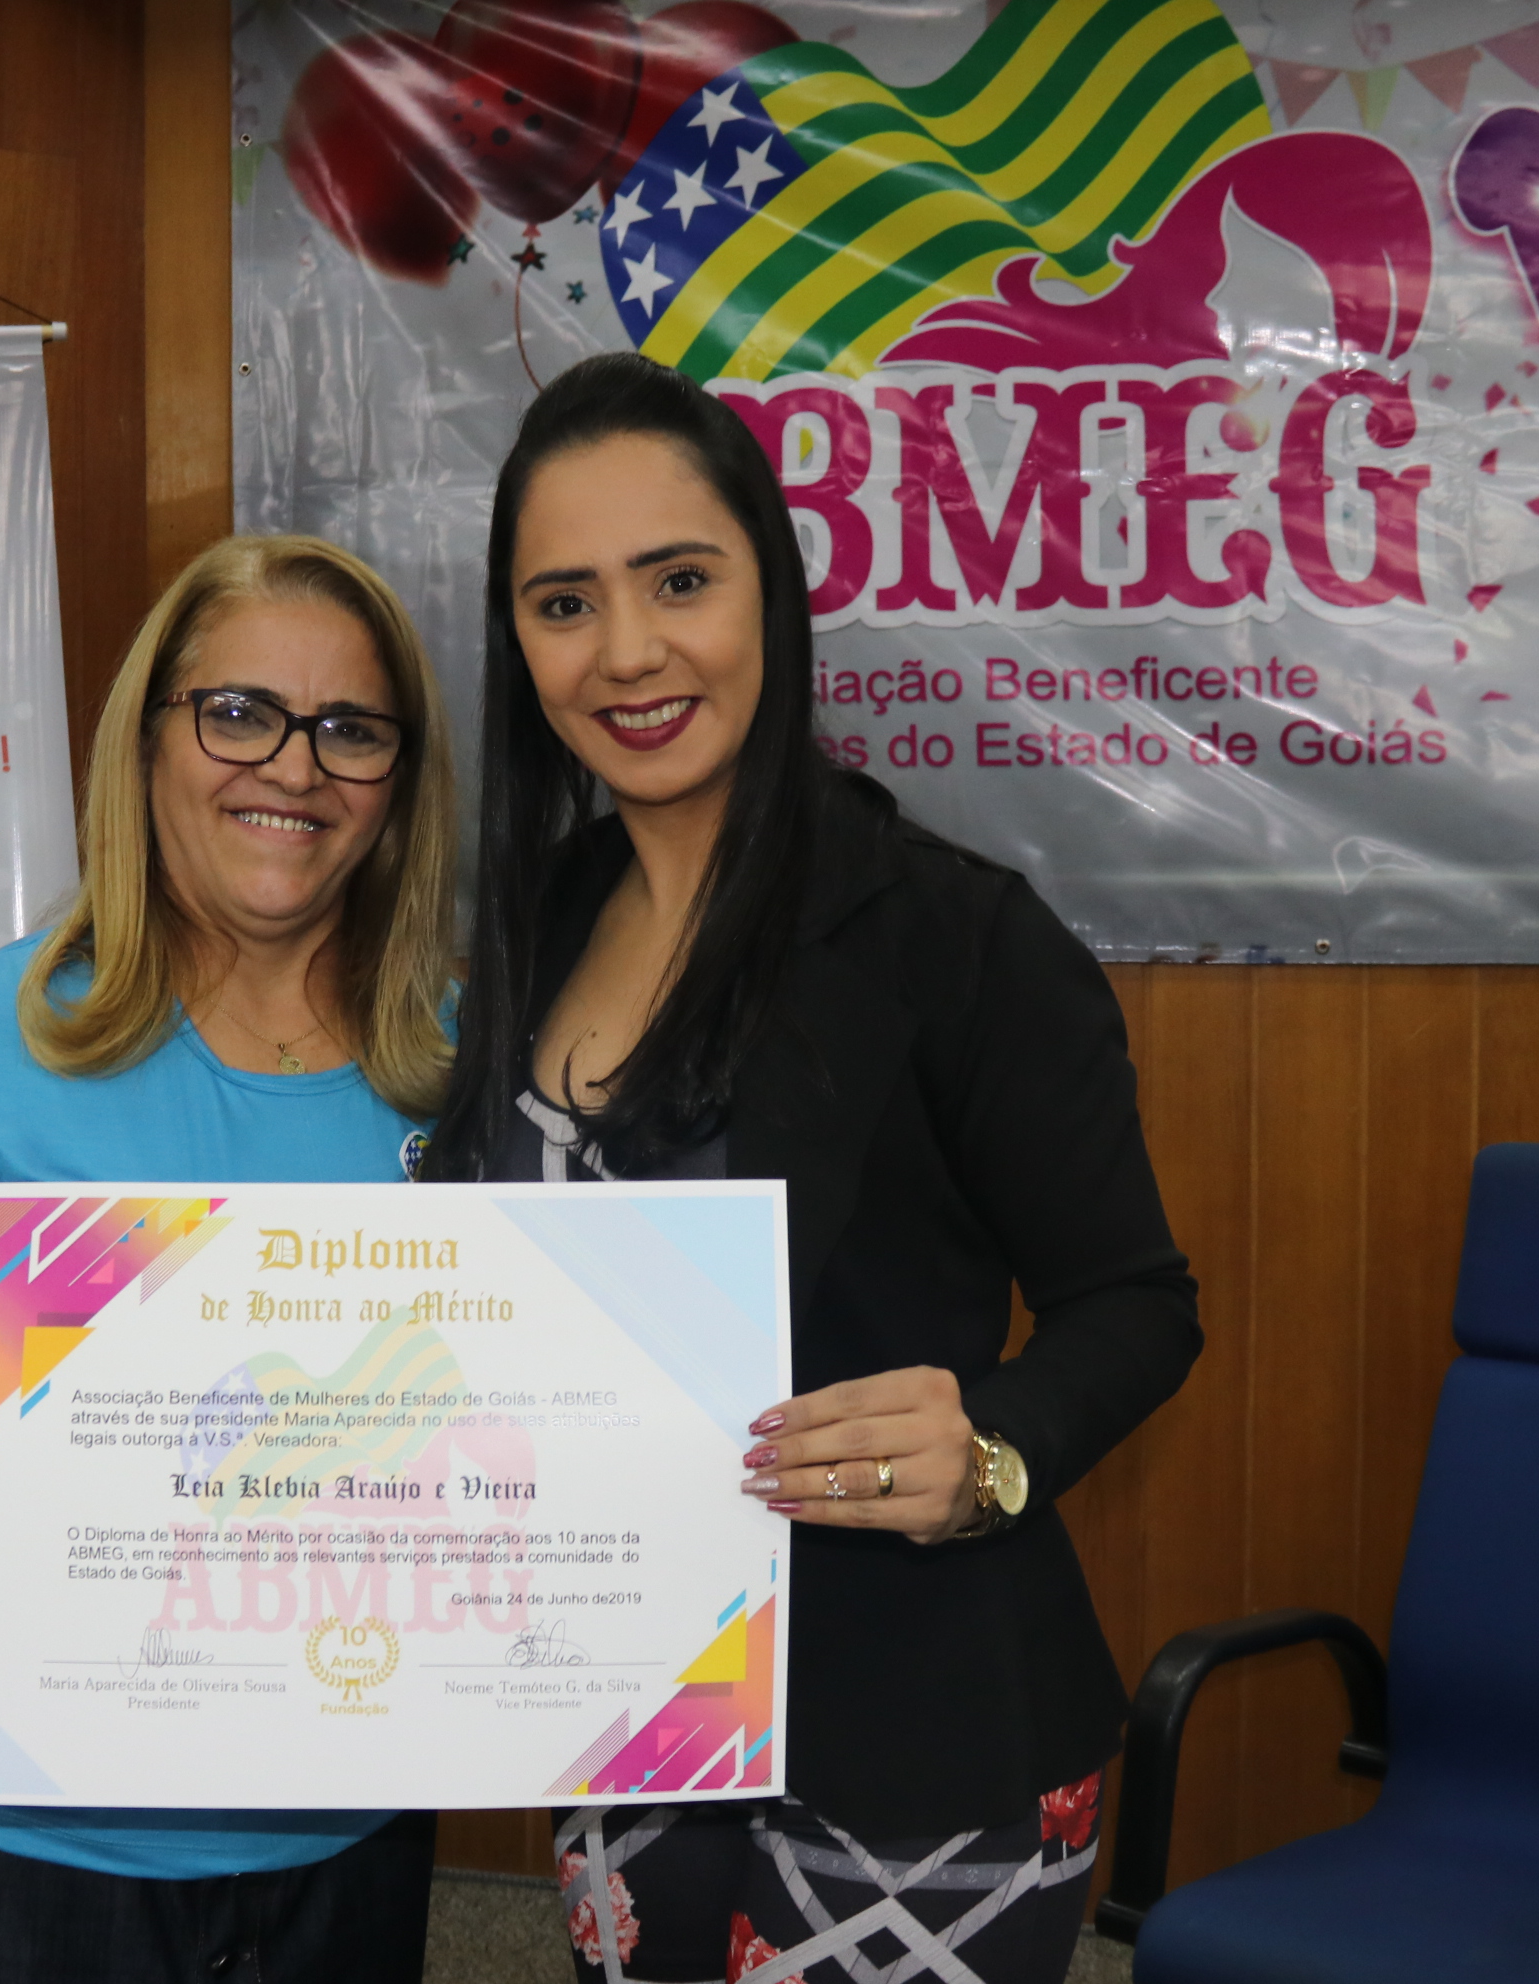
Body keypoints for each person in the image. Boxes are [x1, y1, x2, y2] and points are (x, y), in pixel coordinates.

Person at [424, 354, 1201, 1984]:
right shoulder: (538, 921)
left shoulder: (954, 935)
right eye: (563, 604)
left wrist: (988, 1452)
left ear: (769, 592)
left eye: (679, 581)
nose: (626, 652)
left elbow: (1138, 1304)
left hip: (916, 1732)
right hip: (631, 1699)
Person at [0, 536, 458, 1983]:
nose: (296, 767)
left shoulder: (471, 1061)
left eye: (351, 729)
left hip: (340, 1833)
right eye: (239, 713)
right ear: (146, 741)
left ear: (399, 779)